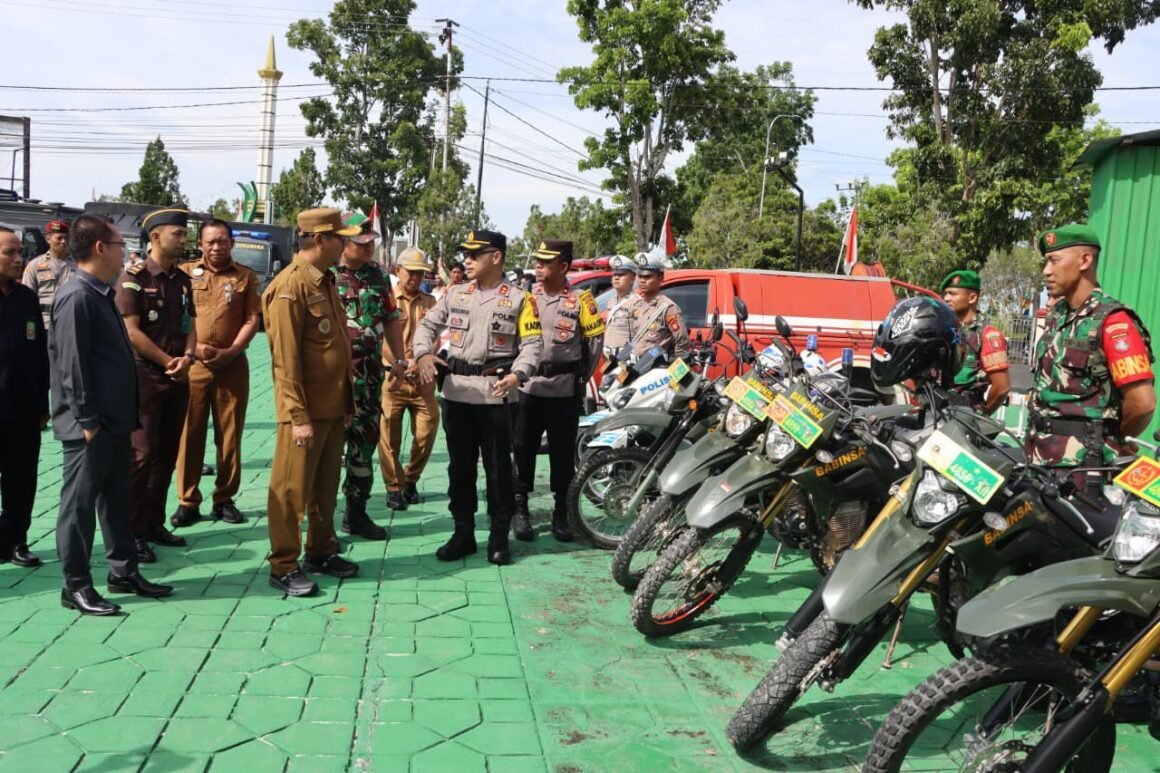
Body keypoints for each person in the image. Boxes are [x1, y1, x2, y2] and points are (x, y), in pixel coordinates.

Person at [51, 215, 173, 615]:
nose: (126, 253)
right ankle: (75, 585)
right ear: (100, 248)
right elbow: (72, 366)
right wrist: (87, 420)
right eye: (121, 245)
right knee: (79, 507)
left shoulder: (100, 292)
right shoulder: (76, 297)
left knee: (117, 501)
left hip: (116, 420)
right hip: (91, 425)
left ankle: (123, 570)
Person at [413, 229, 543, 565]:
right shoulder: (456, 294)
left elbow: (532, 345)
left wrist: (518, 374)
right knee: (460, 469)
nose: (467, 261)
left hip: (495, 396)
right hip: (457, 393)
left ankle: (499, 537)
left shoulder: (520, 299)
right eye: (465, 255)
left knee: (498, 470)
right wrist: (423, 353)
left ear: (496, 257)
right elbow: (426, 326)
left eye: (474, 255)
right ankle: (463, 533)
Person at [262, 208, 359, 597]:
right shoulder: (291, 286)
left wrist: (346, 401)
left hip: (331, 406)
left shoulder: (325, 280)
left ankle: (321, 550)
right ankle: (284, 564)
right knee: (290, 491)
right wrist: (298, 415)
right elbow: (285, 360)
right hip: (303, 412)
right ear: (320, 240)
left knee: (324, 488)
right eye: (339, 239)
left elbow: (336, 345)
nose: (344, 246)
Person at [1026, 223, 1156, 482]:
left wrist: (1114, 438)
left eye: (1054, 261)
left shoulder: (1113, 322)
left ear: (1084, 260)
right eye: (1046, 262)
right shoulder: (1058, 316)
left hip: (1083, 469)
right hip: (1039, 458)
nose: (1046, 271)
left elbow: (1142, 404)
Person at [115, 209, 197, 563]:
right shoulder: (133, 278)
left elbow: (190, 324)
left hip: (178, 377)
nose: (183, 239)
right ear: (155, 237)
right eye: (177, 234)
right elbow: (132, 333)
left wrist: (188, 357)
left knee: (166, 454)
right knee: (142, 455)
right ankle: (131, 532)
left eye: (183, 234)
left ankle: (153, 523)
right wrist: (169, 362)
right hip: (146, 376)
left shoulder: (183, 280)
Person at [170, 220, 261, 529]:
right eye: (210, 242)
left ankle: (224, 499)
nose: (216, 247)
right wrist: (193, 349)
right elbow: (176, 318)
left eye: (222, 241)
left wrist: (232, 351)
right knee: (189, 433)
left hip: (232, 366)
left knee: (230, 435)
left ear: (231, 243)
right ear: (200, 244)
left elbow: (252, 318)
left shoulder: (245, 276)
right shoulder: (184, 274)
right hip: (193, 365)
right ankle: (187, 501)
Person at [512, 240, 605, 542]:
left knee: (562, 456)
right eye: (537, 261)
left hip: (563, 392)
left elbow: (594, 344)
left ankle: (561, 512)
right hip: (528, 388)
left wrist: (578, 376)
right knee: (522, 450)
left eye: (545, 262)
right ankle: (520, 509)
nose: (538, 266)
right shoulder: (526, 298)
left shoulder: (582, 301)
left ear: (563, 266)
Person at [332, 211, 406, 539]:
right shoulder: (325, 274)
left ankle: (356, 513)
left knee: (364, 448)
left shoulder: (378, 275)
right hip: (334, 383)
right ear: (342, 242)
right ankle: (320, 524)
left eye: (370, 242)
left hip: (370, 380)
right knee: (327, 454)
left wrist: (400, 359)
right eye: (360, 243)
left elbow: (390, 317)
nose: (368, 248)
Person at [0, 227, 49, 567]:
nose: (19, 259)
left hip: (23, 408)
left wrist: (42, 403)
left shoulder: (26, 297)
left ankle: (15, 540)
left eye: (20, 252)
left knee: (22, 479)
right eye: (10, 252)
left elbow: (39, 353)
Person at [379, 247, 441, 511]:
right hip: (393, 378)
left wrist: (421, 359)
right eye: (411, 272)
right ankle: (394, 487)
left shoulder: (431, 303)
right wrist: (401, 363)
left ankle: (411, 479)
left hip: (422, 379)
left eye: (420, 273)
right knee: (388, 436)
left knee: (427, 430)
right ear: (398, 270)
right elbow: (381, 339)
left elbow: (436, 338)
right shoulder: (386, 300)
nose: (415, 277)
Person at [940, 269, 1011, 414]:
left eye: (952, 294)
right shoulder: (943, 329)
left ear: (972, 298)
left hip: (966, 414)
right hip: (938, 410)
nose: (946, 298)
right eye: (945, 294)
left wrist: (982, 414)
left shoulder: (987, 335)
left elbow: (1001, 387)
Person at [630, 256, 690, 361]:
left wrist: (675, 363)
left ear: (661, 278)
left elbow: (682, 341)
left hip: (655, 364)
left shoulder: (668, 307)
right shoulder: (637, 305)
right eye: (640, 276)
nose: (642, 280)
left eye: (648, 277)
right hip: (635, 364)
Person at [22, 219, 76, 333]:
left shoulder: (78, 264)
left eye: (66, 238)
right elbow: (26, 296)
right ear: (48, 239)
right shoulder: (35, 265)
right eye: (59, 238)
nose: (63, 242)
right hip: (44, 322)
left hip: (70, 321)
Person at [602, 254, 638, 359]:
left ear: (632, 278)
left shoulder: (637, 303)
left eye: (621, 274)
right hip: (609, 358)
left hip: (626, 359)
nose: (616, 277)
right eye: (614, 274)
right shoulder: (611, 302)